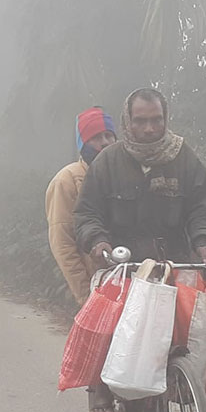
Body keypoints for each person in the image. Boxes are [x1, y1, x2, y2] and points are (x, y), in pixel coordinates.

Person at [73, 87, 206, 412]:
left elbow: (203, 209)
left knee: (202, 324)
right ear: (128, 122)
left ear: (166, 119)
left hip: (174, 263)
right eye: (141, 121)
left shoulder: (185, 159)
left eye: (156, 120)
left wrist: (205, 243)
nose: (149, 128)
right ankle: (99, 388)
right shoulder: (108, 163)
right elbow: (87, 213)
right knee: (105, 313)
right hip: (123, 264)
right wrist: (98, 242)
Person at [45, 107, 117, 306]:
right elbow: (63, 244)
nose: (104, 143)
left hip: (128, 285)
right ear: (82, 143)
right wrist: (86, 296)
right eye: (95, 137)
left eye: (108, 135)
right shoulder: (66, 181)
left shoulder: (123, 176)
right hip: (95, 288)